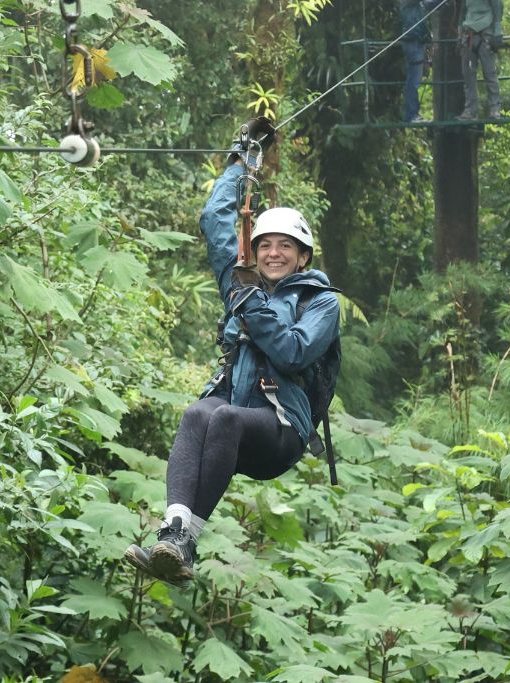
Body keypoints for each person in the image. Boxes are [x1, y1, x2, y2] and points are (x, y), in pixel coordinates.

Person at [123, 118, 341, 586]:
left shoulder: (318, 300)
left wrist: (253, 306)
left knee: (221, 417)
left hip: (281, 428)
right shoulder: (242, 283)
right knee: (198, 412)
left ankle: (187, 543)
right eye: (264, 245)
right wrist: (240, 166)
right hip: (238, 413)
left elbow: (293, 353)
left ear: (303, 257)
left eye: (286, 246)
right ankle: (174, 534)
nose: (274, 253)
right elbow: (215, 222)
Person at [457, 0, 503, 120]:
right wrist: (459, 34)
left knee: (490, 73)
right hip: (468, 34)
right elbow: (462, 13)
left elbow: (497, 6)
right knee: (468, 76)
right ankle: (470, 111)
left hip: (485, 33)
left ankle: (495, 109)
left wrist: (498, 30)